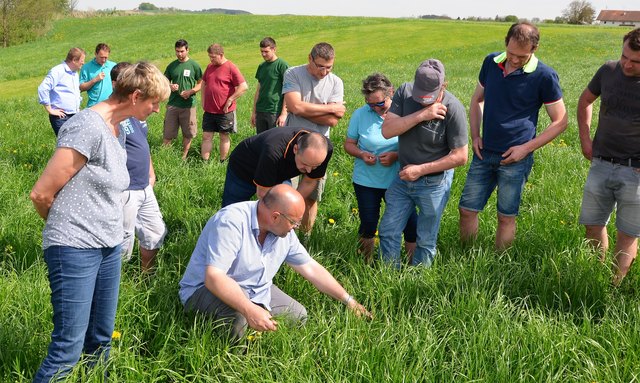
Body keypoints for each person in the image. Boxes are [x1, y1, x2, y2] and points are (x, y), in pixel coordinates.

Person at [29, 62, 169, 382]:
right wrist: (68, 229)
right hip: (75, 247)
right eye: (154, 102)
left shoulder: (117, 129)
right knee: (67, 348)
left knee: (101, 339)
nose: (158, 109)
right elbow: (41, 193)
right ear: (135, 96)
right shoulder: (88, 126)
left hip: (109, 245)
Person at [179, 184, 371, 340]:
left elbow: (311, 268)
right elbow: (214, 277)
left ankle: (258, 331)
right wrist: (249, 309)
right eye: (294, 223)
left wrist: (349, 301)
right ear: (275, 216)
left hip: (256, 288)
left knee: (298, 316)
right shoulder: (231, 222)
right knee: (238, 318)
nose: (296, 228)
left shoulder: (283, 231)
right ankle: (235, 361)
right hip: (205, 289)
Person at [458, 22, 568, 250]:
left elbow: (561, 122)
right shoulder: (491, 62)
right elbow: (477, 99)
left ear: (534, 49)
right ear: (505, 43)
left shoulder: (544, 76)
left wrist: (525, 149)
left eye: (522, 55)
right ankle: (467, 256)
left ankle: (501, 264)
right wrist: (475, 135)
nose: (515, 60)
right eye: (511, 53)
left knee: (505, 216)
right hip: (484, 152)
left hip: (515, 158)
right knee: (467, 209)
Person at [378, 59, 468, 267]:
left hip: (433, 184)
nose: (422, 101)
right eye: (419, 96)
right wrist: (422, 115)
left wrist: (420, 170)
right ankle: (390, 277)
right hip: (403, 178)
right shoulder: (404, 92)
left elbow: (460, 157)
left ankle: (417, 283)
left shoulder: (453, 109)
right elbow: (387, 131)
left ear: (443, 86)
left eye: (428, 98)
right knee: (388, 231)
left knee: (426, 239)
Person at [577, 27, 640, 286]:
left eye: (636, 61)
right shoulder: (608, 71)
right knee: (592, 224)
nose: (627, 64)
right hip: (601, 163)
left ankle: (614, 285)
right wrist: (585, 139)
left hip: (635, 171)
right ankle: (596, 274)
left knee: (627, 233)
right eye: (624, 56)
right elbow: (584, 101)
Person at [343, 73, 417, 263]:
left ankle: (412, 265)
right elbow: (349, 143)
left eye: (380, 103)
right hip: (366, 181)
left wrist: (396, 155)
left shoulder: (405, 113)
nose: (375, 108)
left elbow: (418, 146)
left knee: (410, 223)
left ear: (390, 93)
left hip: (398, 180)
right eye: (370, 104)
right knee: (368, 224)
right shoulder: (360, 114)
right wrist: (361, 154)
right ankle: (365, 264)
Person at [282, 42, 345, 234]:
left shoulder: (336, 82)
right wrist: (331, 107)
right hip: (293, 144)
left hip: (320, 147)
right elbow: (294, 107)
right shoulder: (293, 74)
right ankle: (284, 233)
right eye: (320, 66)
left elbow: (333, 121)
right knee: (287, 193)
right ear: (310, 58)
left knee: (312, 197)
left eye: (329, 67)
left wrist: (303, 108)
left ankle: (306, 236)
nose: (324, 72)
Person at [111, 63, 167, 273]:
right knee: (123, 239)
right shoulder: (111, 118)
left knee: (155, 232)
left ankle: (146, 276)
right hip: (126, 189)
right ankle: (118, 284)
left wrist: (150, 172)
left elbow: (141, 145)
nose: (157, 109)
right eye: (154, 102)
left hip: (144, 186)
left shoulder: (136, 116)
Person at [221, 127, 332, 212]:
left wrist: (292, 208)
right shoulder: (273, 151)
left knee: (284, 207)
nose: (309, 170)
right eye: (305, 164)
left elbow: (309, 181)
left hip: (279, 173)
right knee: (233, 209)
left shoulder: (324, 150)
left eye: (315, 166)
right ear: (295, 149)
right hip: (244, 168)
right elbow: (263, 193)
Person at [201, 43, 248, 162]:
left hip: (225, 111)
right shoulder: (210, 67)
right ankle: (205, 161)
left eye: (213, 57)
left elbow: (243, 86)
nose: (211, 59)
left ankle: (223, 160)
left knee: (224, 136)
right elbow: (203, 83)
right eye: (209, 57)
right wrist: (203, 101)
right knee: (206, 136)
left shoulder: (231, 67)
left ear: (221, 55)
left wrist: (231, 99)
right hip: (209, 110)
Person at [162, 39, 203, 160]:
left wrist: (191, 91)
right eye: (177, 51)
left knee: (188, 133)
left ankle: (183, 158)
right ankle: (166, 158)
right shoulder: (171, 66)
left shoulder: (194, 66)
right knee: (168, 134)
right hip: (173, 105)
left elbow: (201, 83)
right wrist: (170, 86)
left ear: (187, 50)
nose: (179, 54)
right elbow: (164, 81)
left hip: (189, 106)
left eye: (182, 51)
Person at [37, 47, 85, 136]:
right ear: (74, 60)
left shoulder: (74, 73)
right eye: (82, 60)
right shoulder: (57, 71)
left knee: (76, 144)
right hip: (61, 117)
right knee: (66, 145)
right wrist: (50, 110)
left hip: (74, 115)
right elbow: (43, 88)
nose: (83, 62)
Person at [251, 37, 289, 134]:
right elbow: (258, 90)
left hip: (274, 110)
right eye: (261, 51)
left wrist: (284, 113)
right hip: (260, 110)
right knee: (260, 140)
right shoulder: (261, 66)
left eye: (266, 51)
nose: (263, 54)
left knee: (273, 141)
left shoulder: (282, 65)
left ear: (274, 49)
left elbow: (288, 90)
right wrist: (254, 112)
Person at [79, 43, 117, 107]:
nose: (104, 60)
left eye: (106, 57)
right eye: (101, 57)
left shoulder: (113, 66)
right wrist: (94, 80)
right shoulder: (86, 68)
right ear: (95, 54)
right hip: (94, 106)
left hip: (111, 105)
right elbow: (80, 88)